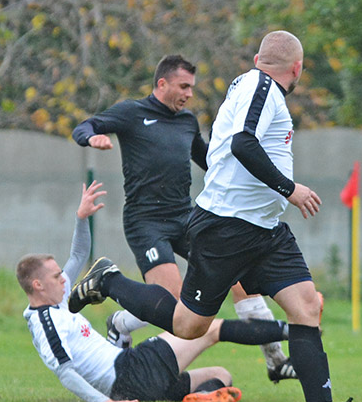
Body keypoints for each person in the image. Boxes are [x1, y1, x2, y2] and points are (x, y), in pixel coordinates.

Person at [67, 31, 362, 402]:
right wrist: (290, 188)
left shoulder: (249, 87)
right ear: (297, 68)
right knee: (188, 325)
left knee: (306, 307)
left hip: (264, 229)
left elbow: (215, 151)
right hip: (227, 228)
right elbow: (243, 144)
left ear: (258, 57)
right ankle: (108, 280)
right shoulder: (262, 88)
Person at [71, 54, 294, 382]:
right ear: (162, 84)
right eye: (183, 86)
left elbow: (207, 160)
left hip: (185, 218)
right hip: (145, 223)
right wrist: (91, 137)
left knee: (241, 278)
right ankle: (120, 323)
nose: (189, 93)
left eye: (192, 87)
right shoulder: (133, 113)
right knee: (175, 304)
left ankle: (275, 360)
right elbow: (85, 126)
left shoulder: (187, 121)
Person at [17, 182, 291, 402]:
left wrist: (81, 218)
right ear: (38, 286)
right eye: (56, 276)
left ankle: (201, 397)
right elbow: (64, 371)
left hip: (136, 384)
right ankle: (291, 330)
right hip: (129, 372)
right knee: (209, 328)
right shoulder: (45, 323)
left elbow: (78, 255)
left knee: (222, 374)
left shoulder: (58, 304)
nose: (64, 280)